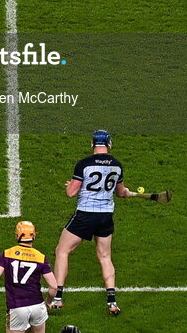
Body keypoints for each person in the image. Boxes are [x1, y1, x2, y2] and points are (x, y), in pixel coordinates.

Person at [50, 130, 143, 316]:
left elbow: (70, 193)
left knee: (62, 251)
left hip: (85, 214)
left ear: (92, 143)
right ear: (109, 144)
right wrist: (128, 193)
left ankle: (58, 298)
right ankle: (112, 302)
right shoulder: (117, 165)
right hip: (105, 216)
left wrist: (71, 185)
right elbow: (121, 192)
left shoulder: (84, 164)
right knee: (105, 256)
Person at [0, 221, 58, 333]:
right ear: (34, 236)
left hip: (17, 307)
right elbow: (53, 286)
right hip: (37, 305)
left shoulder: (7, 254)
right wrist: (48, 301)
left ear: (16, 236)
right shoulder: (40, 257)